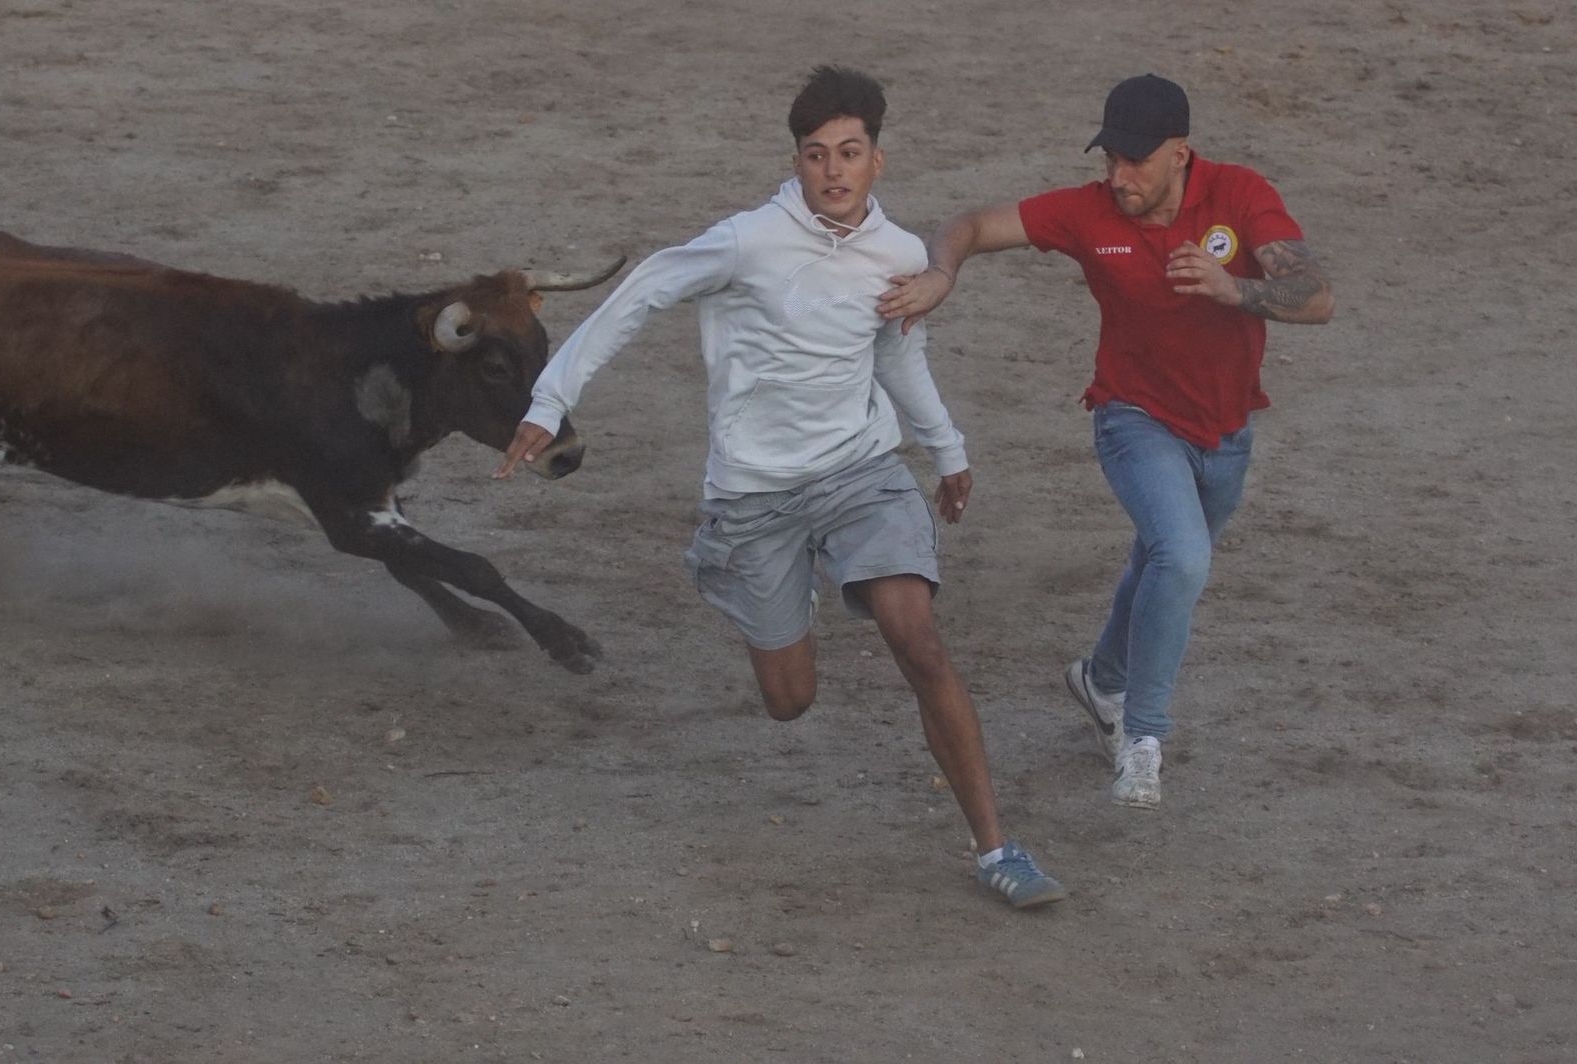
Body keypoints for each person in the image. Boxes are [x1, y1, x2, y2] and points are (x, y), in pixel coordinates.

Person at [493, 66, 1065, 908]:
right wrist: (551, 399)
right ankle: (736, 569)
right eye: (815, 155)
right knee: (789, 700)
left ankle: (997, 849)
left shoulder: (902, 254)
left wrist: (947, 449)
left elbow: (898, 353)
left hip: (859, 473)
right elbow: (641, 295)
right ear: (796, 164)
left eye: (849, 153)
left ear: (878, 160)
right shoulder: (747, 242)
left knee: (919, 636)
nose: (833, 171)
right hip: (755, 497)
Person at [877, 73, 1333, 810]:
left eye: (1136, 162)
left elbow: (1318, 294)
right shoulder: (1087, 215)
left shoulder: (1241, 196)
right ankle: (1142, 737)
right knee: (1182, 558)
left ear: (1181, 153)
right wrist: (940, 272)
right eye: (1110, 159)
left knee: (1162, 561)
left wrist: (1234, 290)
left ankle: (1101, 679)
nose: (1118, 178)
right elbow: (971, 224)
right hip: (1133, 419)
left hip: (1226, 433)